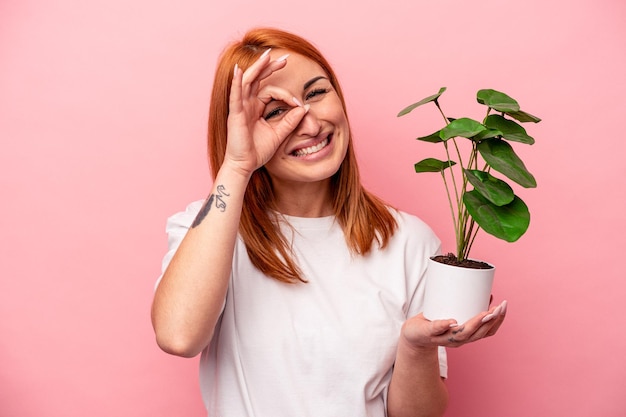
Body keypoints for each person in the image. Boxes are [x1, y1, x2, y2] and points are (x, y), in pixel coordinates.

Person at [151, 27, 507, 417]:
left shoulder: (410, 242)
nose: (307, 122)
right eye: (275, 112)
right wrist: (236, 166)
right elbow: (178, 336)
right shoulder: (207, 232)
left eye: (316, 93)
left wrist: (416, 346)